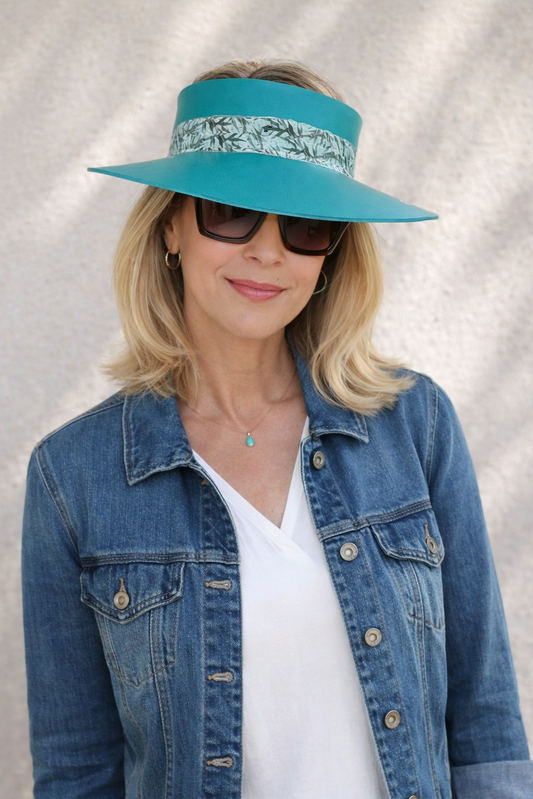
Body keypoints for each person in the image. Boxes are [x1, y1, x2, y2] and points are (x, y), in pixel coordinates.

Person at [22, 59, 532, 799]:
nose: (267, 250)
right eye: (229, 211)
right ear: (171, 225)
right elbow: (77, 772)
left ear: (329, 257)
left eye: (305, 226)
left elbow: (484, 725)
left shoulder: (412, 426)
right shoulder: (74, 475)